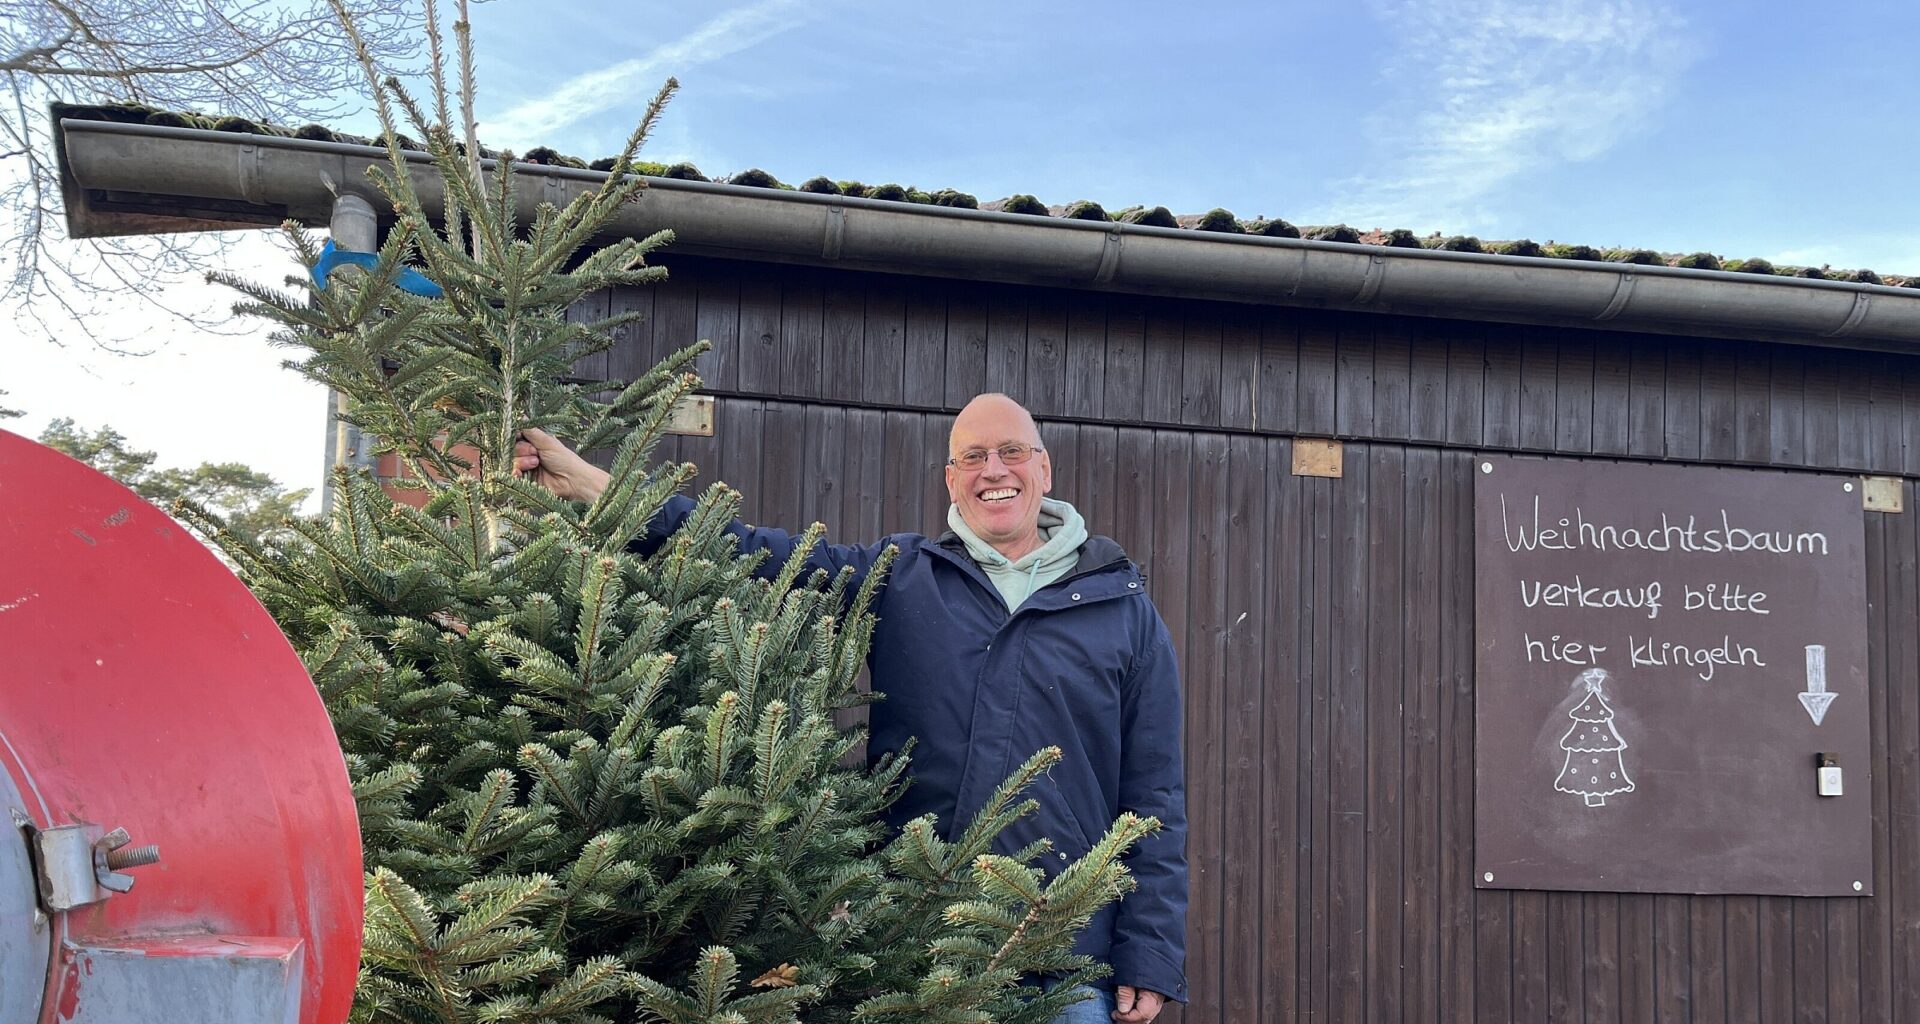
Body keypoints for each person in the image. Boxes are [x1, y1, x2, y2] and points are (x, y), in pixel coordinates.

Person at [516, 393, 1187, 1024]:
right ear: (951, 480)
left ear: (1043, 467)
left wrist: (1150, 953)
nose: (994, 470)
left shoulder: (1122, 611)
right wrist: (597, 488)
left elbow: (1155, 795)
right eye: (973, 457)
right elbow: (755, 554)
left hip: (1066, 962)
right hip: (914, 945)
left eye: (1011, 451)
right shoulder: (905, 576)